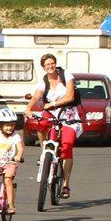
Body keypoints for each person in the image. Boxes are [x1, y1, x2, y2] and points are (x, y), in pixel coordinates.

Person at [24, 53, 83, 199]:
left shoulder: (65, 75)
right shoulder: (44, 80)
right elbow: (37, 96)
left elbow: (70, 96)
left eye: (52, 63)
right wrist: (29, 108)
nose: (50, 66)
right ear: (43, 67)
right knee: (42, 124)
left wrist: (52, 104)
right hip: (51, 112)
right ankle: (45, 150)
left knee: (67, 148)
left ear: (55, 64)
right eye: (47, 65)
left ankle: (66, 185)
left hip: (68, 112)